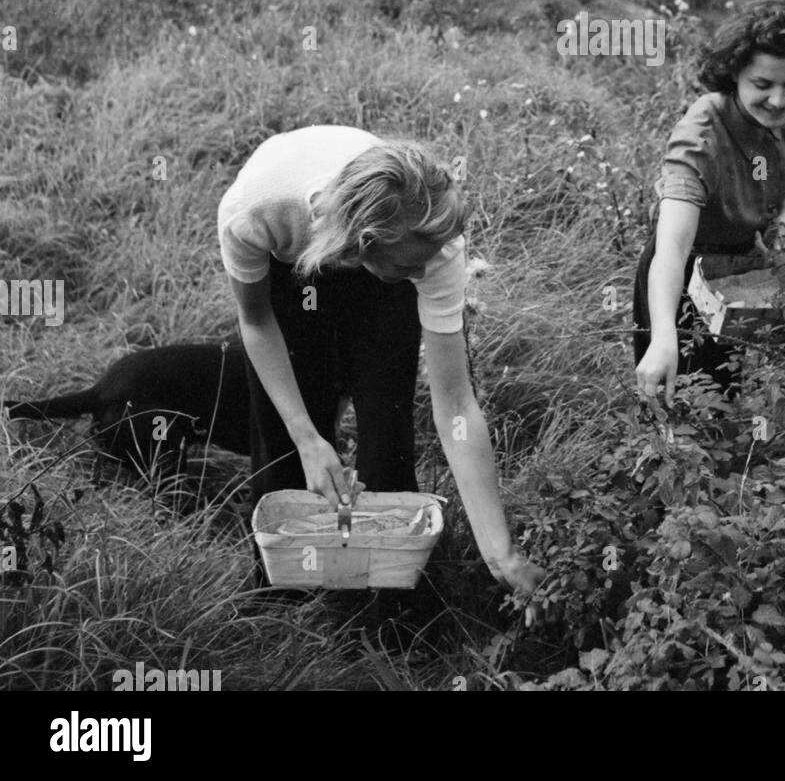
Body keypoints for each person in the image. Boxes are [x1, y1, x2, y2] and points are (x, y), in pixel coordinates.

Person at [218, 125, 542, 593]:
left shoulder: (433, 246)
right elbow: (256, 320)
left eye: (426, 263)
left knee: (387, 432)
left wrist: (502, 554)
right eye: (413, 266)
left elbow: (455, 405)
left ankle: (387, 603)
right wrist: (307, 436)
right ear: (365, 244)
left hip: (378, 262)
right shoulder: (254, 212)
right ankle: (287, 594)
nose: (424, 273)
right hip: (291, 262)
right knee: (286, 441)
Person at [633, 0, 785, 407]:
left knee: (723, 397)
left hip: (740, 272)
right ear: (734, 75)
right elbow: (672, 247)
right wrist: (664, 336)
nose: (779, 100)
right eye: (762, 85)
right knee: (675, 408)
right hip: (683, 280)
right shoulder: (700, 136)